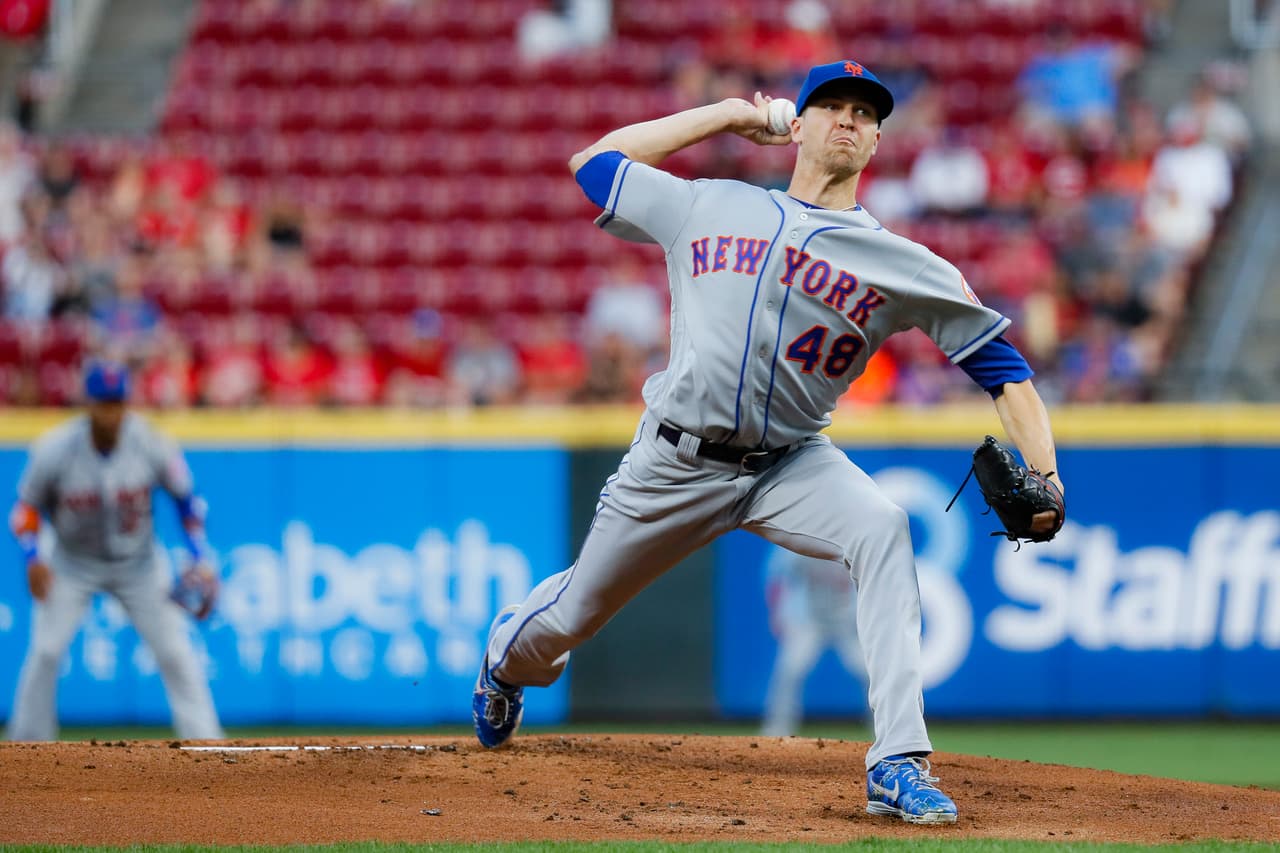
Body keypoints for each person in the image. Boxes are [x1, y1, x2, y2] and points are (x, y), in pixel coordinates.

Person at [472, 59, 1064, 825]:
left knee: (883, 527)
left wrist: (1048, 477)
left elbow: (1007, 375)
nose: (848, 119)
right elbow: (595, 166)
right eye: (832, 105)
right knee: (572, 616)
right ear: (801, 123)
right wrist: (722, 115)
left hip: (792, 462)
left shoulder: (905, 265)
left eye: (865, 112)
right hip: (674, 462)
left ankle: (897, 760)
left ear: (879, 139)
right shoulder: (709, 205)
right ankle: (503, 661)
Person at [6, 359, 224, 741]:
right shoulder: (56, 447)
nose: (111, 411)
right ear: (88, 402)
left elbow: (188, 500)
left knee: (176, 653)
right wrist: (32, 556)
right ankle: (27, 750)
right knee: (45, 653)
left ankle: (207, 744)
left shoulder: (152, 442)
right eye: (103, 402)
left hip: (138, 564)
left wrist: (200, 554)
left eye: (117, 401)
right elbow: (24, 508)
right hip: (71, 564)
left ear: (126, 403)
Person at [761, 548, 866, 738]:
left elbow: (874, 582)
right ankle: (777, 730)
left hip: (847, 621)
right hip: (808, 620)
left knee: (871, 675)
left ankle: (886, 733)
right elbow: (778, 575)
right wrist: (777, 612)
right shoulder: (803, 541)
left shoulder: (852, 541)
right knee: (790, 671)